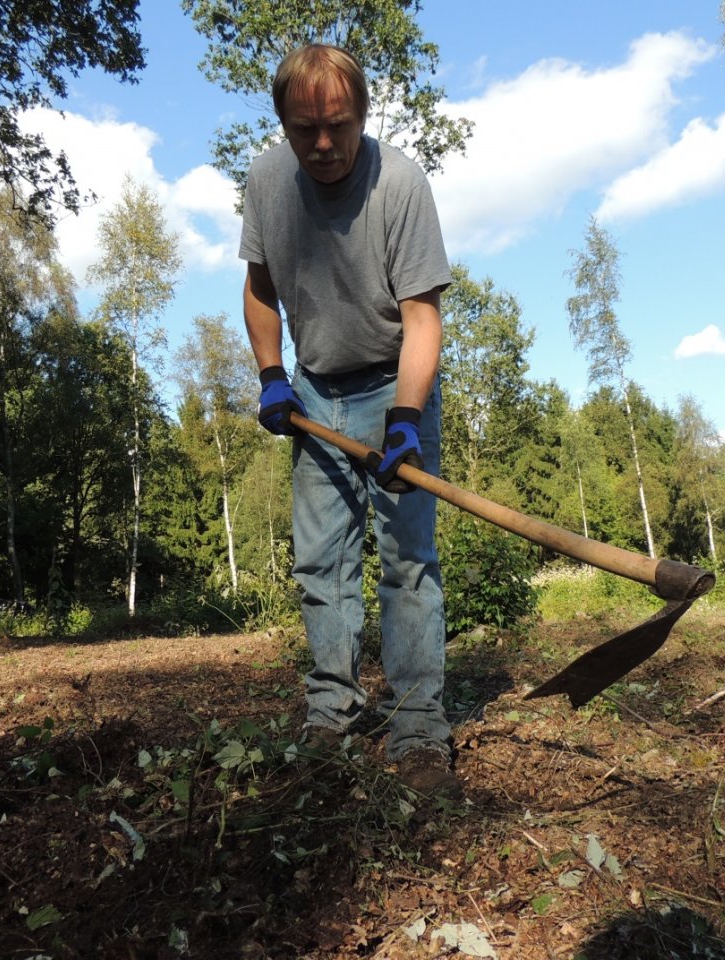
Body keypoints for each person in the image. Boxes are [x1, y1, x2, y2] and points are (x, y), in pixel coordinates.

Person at [238, 44, 459, 798]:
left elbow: (423, 319)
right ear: (283, 125)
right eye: (306, 129)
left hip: (395, 386)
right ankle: (332, 716)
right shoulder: (268, 181)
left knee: (407, 561)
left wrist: (404, 419)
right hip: (314, 393)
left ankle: (420, 730)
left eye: (339, 125)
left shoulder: (399, 182)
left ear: (363, 115)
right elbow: (261, 290)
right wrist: (273, 376)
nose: (324, 145)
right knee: (321, 565)